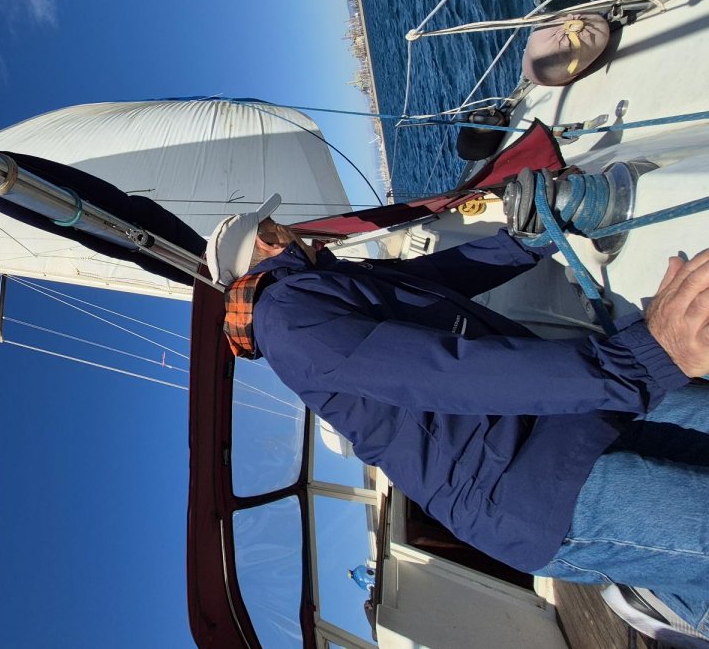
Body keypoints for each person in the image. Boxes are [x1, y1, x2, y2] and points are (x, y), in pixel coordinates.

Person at [206, 193, 709, 641]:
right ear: (268, 244)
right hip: (516, 487)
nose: (292, 229)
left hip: (547, 413)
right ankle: (679, 598)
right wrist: (642, 360)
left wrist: (527, 241)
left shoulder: (323, 281)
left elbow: (444, 277)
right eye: (275, 227)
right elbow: (444, 372)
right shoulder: (290, 319)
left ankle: (673, 580)